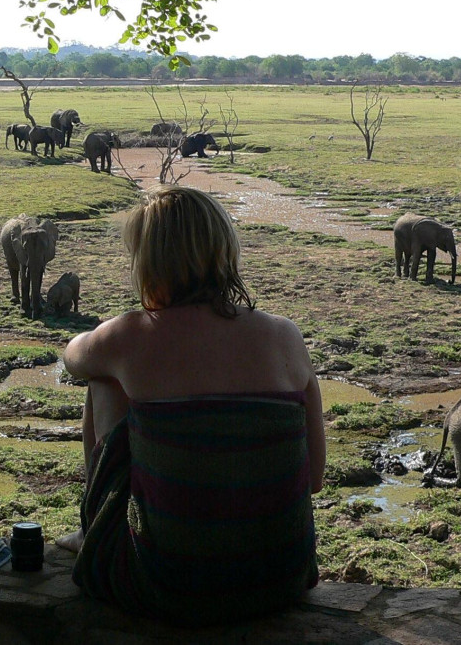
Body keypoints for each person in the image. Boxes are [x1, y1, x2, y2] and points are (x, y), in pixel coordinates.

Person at [57, 185, 325, 626]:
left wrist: (118, 348)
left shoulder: (129, 336)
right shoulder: (286, 335)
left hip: (166, 583)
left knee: (101, 380)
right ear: (225, 251)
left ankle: (95, 528)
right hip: (281, 578)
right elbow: (313, 479)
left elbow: (74, 358)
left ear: (147, 262)